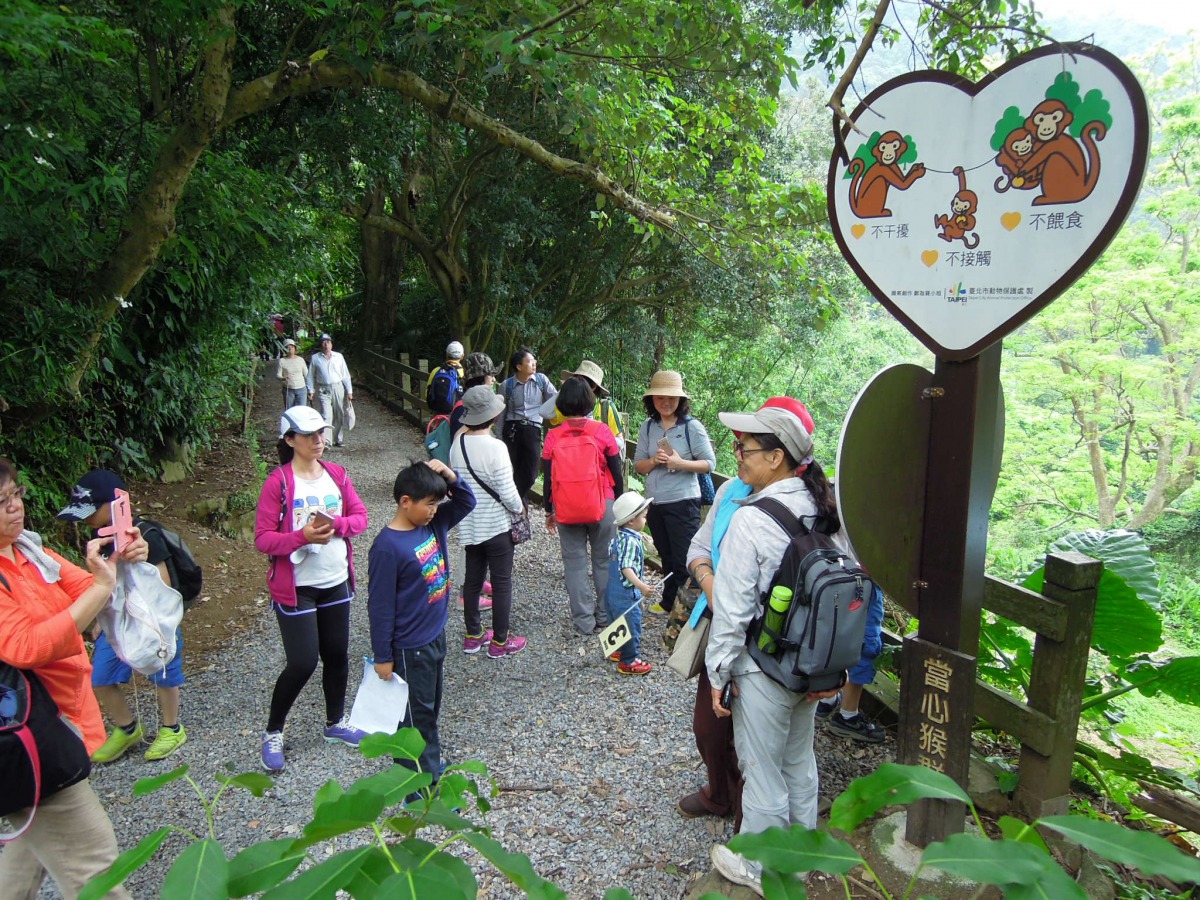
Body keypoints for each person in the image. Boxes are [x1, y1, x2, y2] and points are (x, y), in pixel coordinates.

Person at [703, 397, 848, 895]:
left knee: (761, 767)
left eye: (746, 447)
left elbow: (734, 607)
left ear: (776, 457)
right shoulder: (826, 508)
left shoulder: (754, 517)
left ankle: (759, 866)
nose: (738, 454)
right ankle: (802, 853)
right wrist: (831, 667)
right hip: (810, 664)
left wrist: (718, 670)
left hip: (764, 667)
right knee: (797, 761)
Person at [0, 458, 147, 899]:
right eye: (0, 501)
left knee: (30, 851)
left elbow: (87, 590)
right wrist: (101, 589)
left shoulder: (27, 550)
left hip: (55, 725)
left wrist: (118, 563)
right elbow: (25, 647)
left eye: (16, 494)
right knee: (94, 865)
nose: (14, 507)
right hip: (31, 739)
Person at [253, 405, 369, 773]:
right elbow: (263, 539)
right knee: (303, 662)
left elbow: (361, 518)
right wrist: (299, 537)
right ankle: (273, 731)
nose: (319, 440)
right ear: (290, 440)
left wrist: (336, 525)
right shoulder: (279, 482)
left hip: (335, 579)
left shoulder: (337, 474)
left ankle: (335, 722)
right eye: (309, 435)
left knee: (337, 655)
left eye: (321, 433)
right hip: (297, 586)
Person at [55, 469, 187, 762]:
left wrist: (139, 560)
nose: (85, 519)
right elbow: (99, 579)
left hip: (154, 620)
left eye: (91, 510)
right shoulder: (97, 535)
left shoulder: (145, 535)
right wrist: (102, 616)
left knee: (164, 671)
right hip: (115, 620)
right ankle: (128, 728)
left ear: (115, 504)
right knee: (100, 676)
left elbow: (163, 585)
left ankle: (172, 727)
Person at [368, 460, 475, 786]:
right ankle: (419, 790)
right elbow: (380, 607)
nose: (434, 510)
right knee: (415, 720)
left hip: (433, 636)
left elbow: (466, 501)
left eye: (436, 503)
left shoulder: (432, 525)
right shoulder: (387, 548)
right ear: (405, 502)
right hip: (409, 648)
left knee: (429, 710)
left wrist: (450, 476)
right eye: (428, 503)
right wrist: (383, 656)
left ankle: (429, 770)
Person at [541, 377, 624, 635]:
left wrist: (548, 510)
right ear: (590, 401)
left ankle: (583, 621)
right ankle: (604, 616)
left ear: (562, 404)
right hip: (602, 504)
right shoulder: (601, 431)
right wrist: (618, 504)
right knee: (602, 561)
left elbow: (547, 480)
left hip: (566, 507)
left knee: (575, 564)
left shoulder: (553, 436)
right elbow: (617, 473)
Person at [449, 387, 526, 658]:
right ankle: (500, 642)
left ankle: (473, 636)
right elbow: (508, 493)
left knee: (472, 580)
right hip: (496, 525)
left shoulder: (457, 443)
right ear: (492, 416)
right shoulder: (496, 447)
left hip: (470, 525)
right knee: (502, 581)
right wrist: (520, 509)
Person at [633, 370, 716, 616]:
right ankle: (670, 602)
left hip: (684, 501)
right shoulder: (648, 428)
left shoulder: (692, 427)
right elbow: (638, 465)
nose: (666, 402)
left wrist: (681, 464)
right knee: (665, 554)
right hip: (656, 502)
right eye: (660, 398)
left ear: (681, 400)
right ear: (652, 401)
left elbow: (710, 463)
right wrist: (653, 461)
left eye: (671, 398)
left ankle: (688, 610)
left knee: (684, 558)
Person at [816, 583, 886, 743]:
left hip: (839, 578)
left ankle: (827, 699)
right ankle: (847, 716)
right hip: (864, 581)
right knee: (864, 642)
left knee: (837, 628)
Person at [497, 347, 556, 506]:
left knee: (531, 474)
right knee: (512, 471)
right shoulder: (506, 385)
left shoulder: (541, 381)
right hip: (511, 431)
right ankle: (520, 511)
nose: (534, 363)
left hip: (532, 430)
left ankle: (510, 502)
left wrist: (551, 415)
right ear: (519, 366)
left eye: (534, 360)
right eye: (530, 361)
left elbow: (556, 399)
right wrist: (499, 438)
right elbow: (501, 413)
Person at [605, 491, 654, 675]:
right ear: (632, 521)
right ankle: (629, 660)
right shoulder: (632, 541)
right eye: (643, 517)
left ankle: (617, 649)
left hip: (611, 589)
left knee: (615, 620)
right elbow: (626, 568)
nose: (645, 521)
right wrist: (641, 586)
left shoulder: (618, 536)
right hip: (626, 592)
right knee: (631, 623)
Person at [540, 360, 625, 447]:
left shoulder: (606, 407)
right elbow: (543, 412)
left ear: (594, 387)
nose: (578, 385)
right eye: (576, 380)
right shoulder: (571, 407)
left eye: (583, 381)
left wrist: (599, 433)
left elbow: (620, 442)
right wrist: (565, 389)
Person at [306, 333, 353, 447]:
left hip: (337, 387)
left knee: (339, 413)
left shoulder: (338, 357)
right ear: (320, 345)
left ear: (331, 344)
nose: (326, 344)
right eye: (324, 342)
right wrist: (310, 390)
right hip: (323, 388)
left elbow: (345, 375)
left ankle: (338, 438)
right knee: (326, 414)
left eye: (328, 342)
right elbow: (310, 375)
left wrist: (349, 391)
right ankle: (327, 441)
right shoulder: (316, 358)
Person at [449, 351, 501, 438]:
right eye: (490, 375)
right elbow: (458, 444)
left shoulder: (474, 404)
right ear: (479, 377)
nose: (494, 379)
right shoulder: (463, 408)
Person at [426, 340, 467, 414]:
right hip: (457, 414)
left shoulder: (436, 371)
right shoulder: (464, 373)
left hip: (437, 413)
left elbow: (427, 392)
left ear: (446, 354)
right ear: (462, 356)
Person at [276, 339, 309, 410]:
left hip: (301, 388)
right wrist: (283, 378)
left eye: (292, 346)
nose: (290, 348)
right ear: (284, 349)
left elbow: (306, 375)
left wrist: (310, 389)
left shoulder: (300, 360)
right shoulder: (282, 361)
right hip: (288, 389)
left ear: (295, 348)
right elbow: (278, 375)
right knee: (290, 411)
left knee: (302, 410)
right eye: (287, 347)